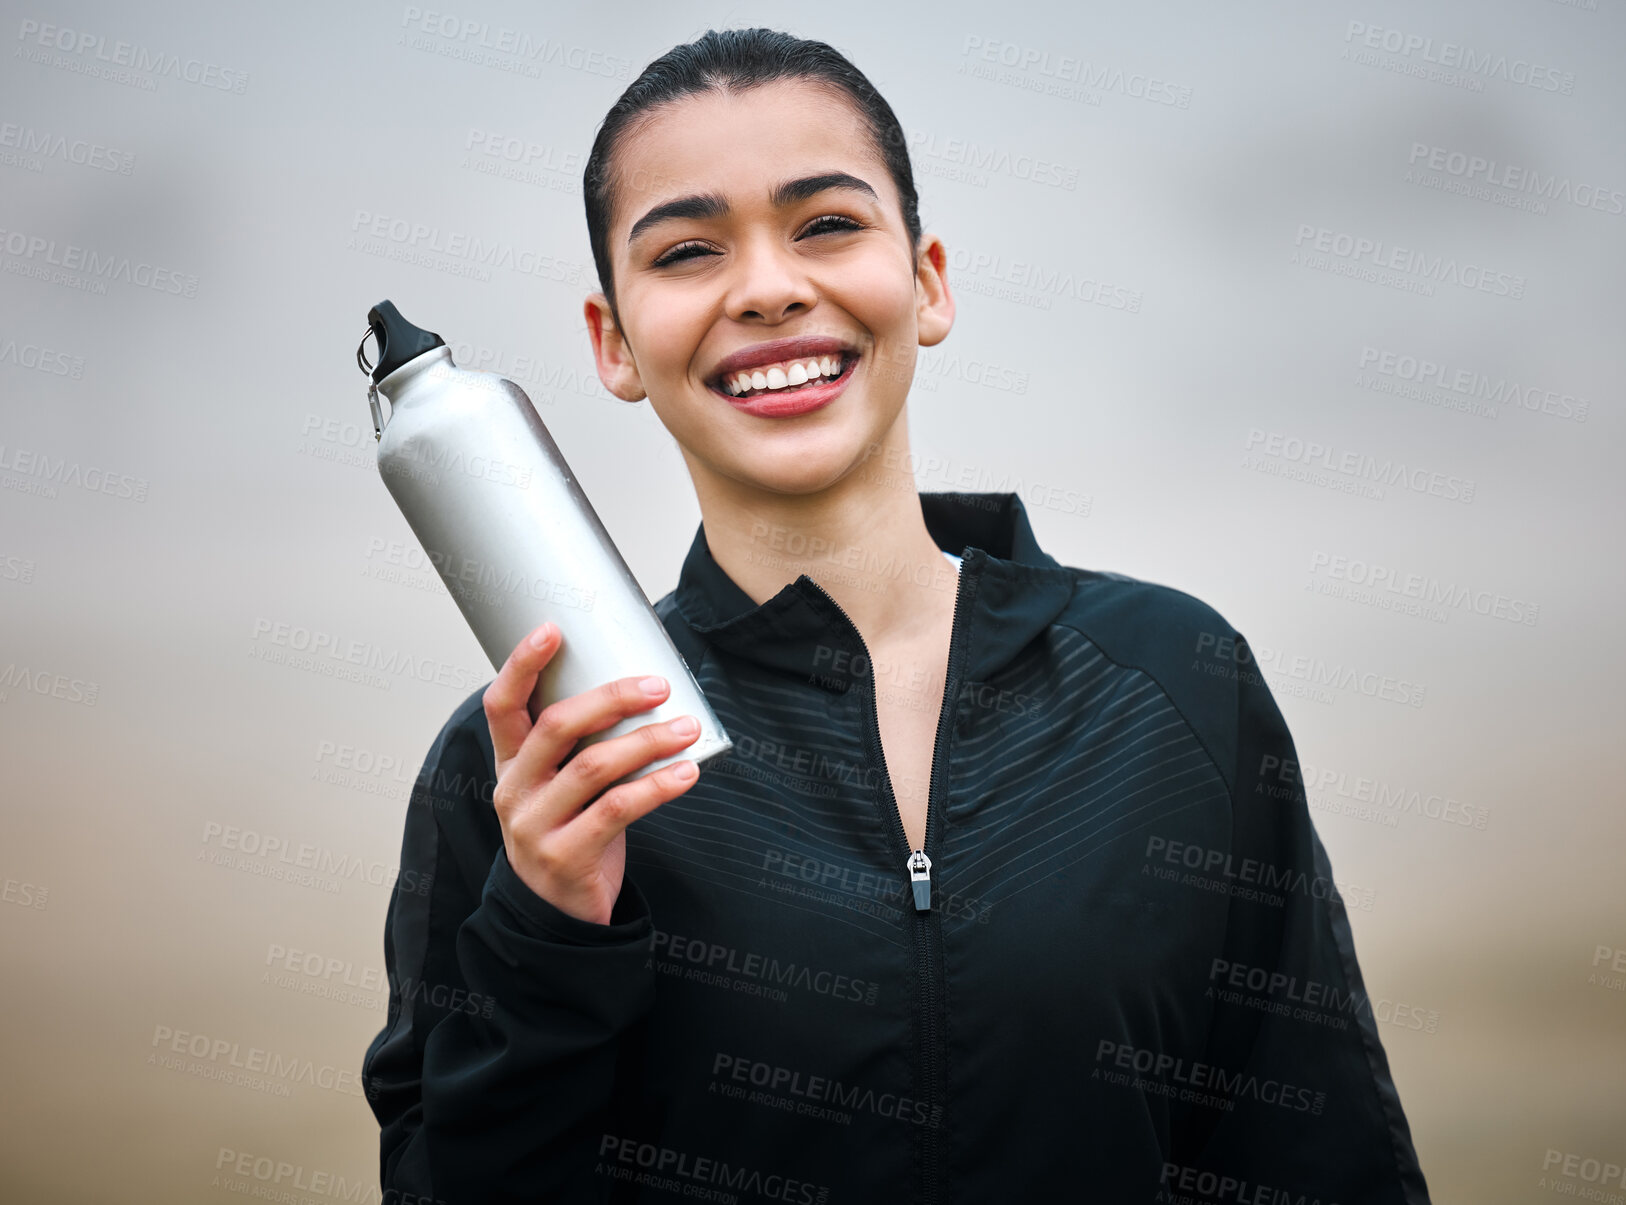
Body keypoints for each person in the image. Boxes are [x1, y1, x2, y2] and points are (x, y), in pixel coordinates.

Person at [362, 26, 1431, 1205]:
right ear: (614, 341)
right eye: (687, 250)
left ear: (926, 282)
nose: (769, 286)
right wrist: (549, 934)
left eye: (826, 224)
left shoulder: (1176, 683)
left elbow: (1319, 1160)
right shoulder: (530, 771)